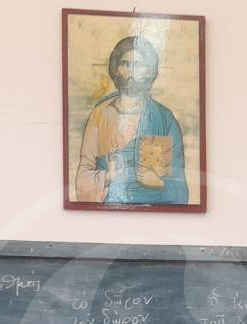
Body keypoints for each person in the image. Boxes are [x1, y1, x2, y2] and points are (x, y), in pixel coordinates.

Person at [74, 35, 189, 205]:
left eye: (138, 65)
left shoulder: (164, 119)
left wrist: (161, 183)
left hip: (155, 212)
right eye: (125, 64)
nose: (131, 72)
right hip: (108, 212)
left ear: (149, 71)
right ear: (116, 69)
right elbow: (82, 179)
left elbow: (181, 192)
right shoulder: (100, 115)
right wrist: (107, 177)